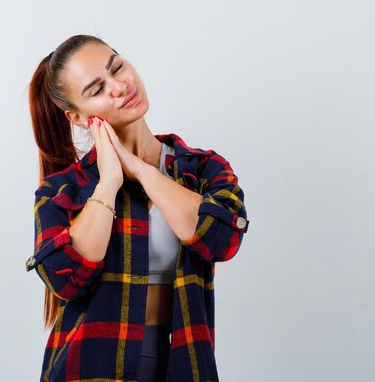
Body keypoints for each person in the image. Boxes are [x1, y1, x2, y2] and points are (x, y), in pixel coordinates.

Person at [25, 34, 250, 382]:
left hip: (184, 364)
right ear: (78, 116)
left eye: (118, 67)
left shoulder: (202, 169)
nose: (119, 86)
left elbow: (222, 240)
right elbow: (66, 278)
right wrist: (109, 181)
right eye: (96, 89)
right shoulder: (62, 191)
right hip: (89, 369)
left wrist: (144, 171)